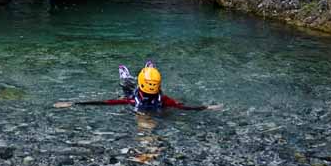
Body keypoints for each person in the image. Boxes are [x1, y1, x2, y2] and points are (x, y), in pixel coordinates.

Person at [53, 62, 223, 112]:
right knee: (128, 91)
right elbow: (185, 108)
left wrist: (73, 103)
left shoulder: (133, 100)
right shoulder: (163, 100)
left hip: (135, 97)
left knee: (126, 91)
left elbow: (103, 102)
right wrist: (207, 107)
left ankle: (128, 78)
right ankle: (145, 70)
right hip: (148, 98)